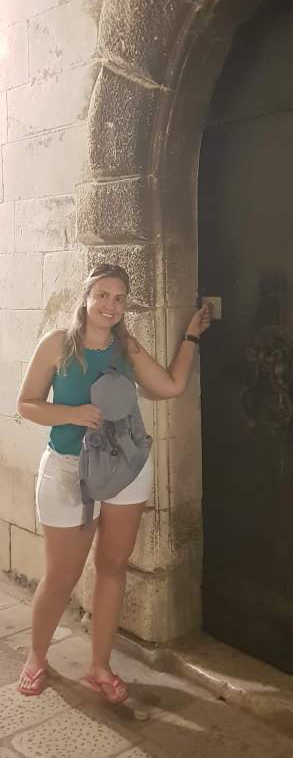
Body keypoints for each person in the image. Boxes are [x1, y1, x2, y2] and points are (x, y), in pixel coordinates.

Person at [16, 263, 210, 702]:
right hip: (68, 469)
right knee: (62, 574)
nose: (111, 305)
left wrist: (191, 336)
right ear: (86, 297)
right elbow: (26, 404)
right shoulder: (58, 345)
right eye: (103, 295)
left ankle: (99, 667)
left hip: (125, 466)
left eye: (119, 298)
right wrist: (72, 414)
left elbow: (170, 386)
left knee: (113, 566)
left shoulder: (126, 347)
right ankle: (36, 657)